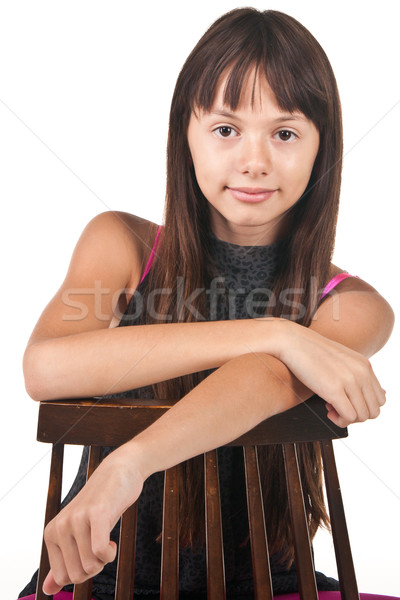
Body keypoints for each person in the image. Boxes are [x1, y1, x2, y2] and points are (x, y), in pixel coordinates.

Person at [18, 7, 396, 600]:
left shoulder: (351, 303)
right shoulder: (123, 243)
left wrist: (129, 464)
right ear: (185, 136)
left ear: (323, 148)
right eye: (225, 129)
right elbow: (45, 368)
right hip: (101, 584)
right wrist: (280, 334)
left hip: (276, 588)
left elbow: (269, 382)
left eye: (285, 133)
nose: (254, 161)